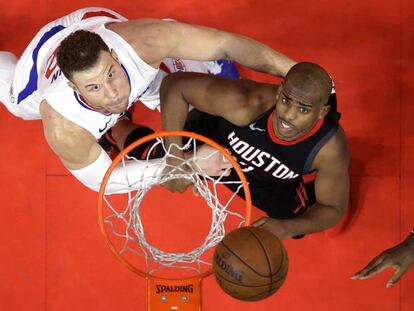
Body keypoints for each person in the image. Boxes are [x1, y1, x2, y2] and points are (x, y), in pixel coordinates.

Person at [0, 7, 296, 194]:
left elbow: (228, 44)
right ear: (73, 88)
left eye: (111, 74)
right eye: (94, 88)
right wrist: (188, 164)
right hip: (38, 64)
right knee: (12, 100)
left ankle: (183, 48)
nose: (112, 93)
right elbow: (104, 180)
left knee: (171, 76)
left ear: (115, 57)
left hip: (95, 22)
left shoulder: (143, 43)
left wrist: (297, 74)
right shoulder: (64, 126)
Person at [159, 62, 349, 240]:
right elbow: (174, 86)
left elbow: (332, 208)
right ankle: (213, 68)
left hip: (271, 185)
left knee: (297, 225)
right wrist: (174, 156)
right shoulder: (246, 103)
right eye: (286, 100)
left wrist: (286, 228)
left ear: (321, 112)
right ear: (279, 92)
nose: (289, 115)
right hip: (212, 150)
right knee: (155, 158)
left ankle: (323, 189)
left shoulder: (329, 149)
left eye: (303, 110)